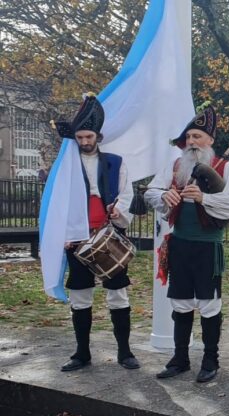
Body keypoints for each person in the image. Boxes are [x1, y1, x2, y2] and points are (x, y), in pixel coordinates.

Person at [144, 103, 229, 383]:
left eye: (197, 136)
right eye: (188, 137)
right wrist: (163, 196)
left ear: (210, 140)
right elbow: (150, 192)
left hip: (207, 247)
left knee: (209, 304)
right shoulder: (176, 166)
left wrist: (204, 198)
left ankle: (211, 360)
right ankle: (180, 358)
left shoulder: (226, 168)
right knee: (180, 302)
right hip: (179, 245)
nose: (191, 142)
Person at [52, 93, 139, 372]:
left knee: (117, 294)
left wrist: (118, 210)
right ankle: (81, 353)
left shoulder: (115, 162)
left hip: (108, 234)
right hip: (76, 238)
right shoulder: (65, 165)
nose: (85, 142)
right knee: (80, 295)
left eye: (89, 137)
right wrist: (64, 234)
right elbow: (58, 200)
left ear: (98, 136)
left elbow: (127, 193)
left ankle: (125, 352)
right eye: (80, 137)